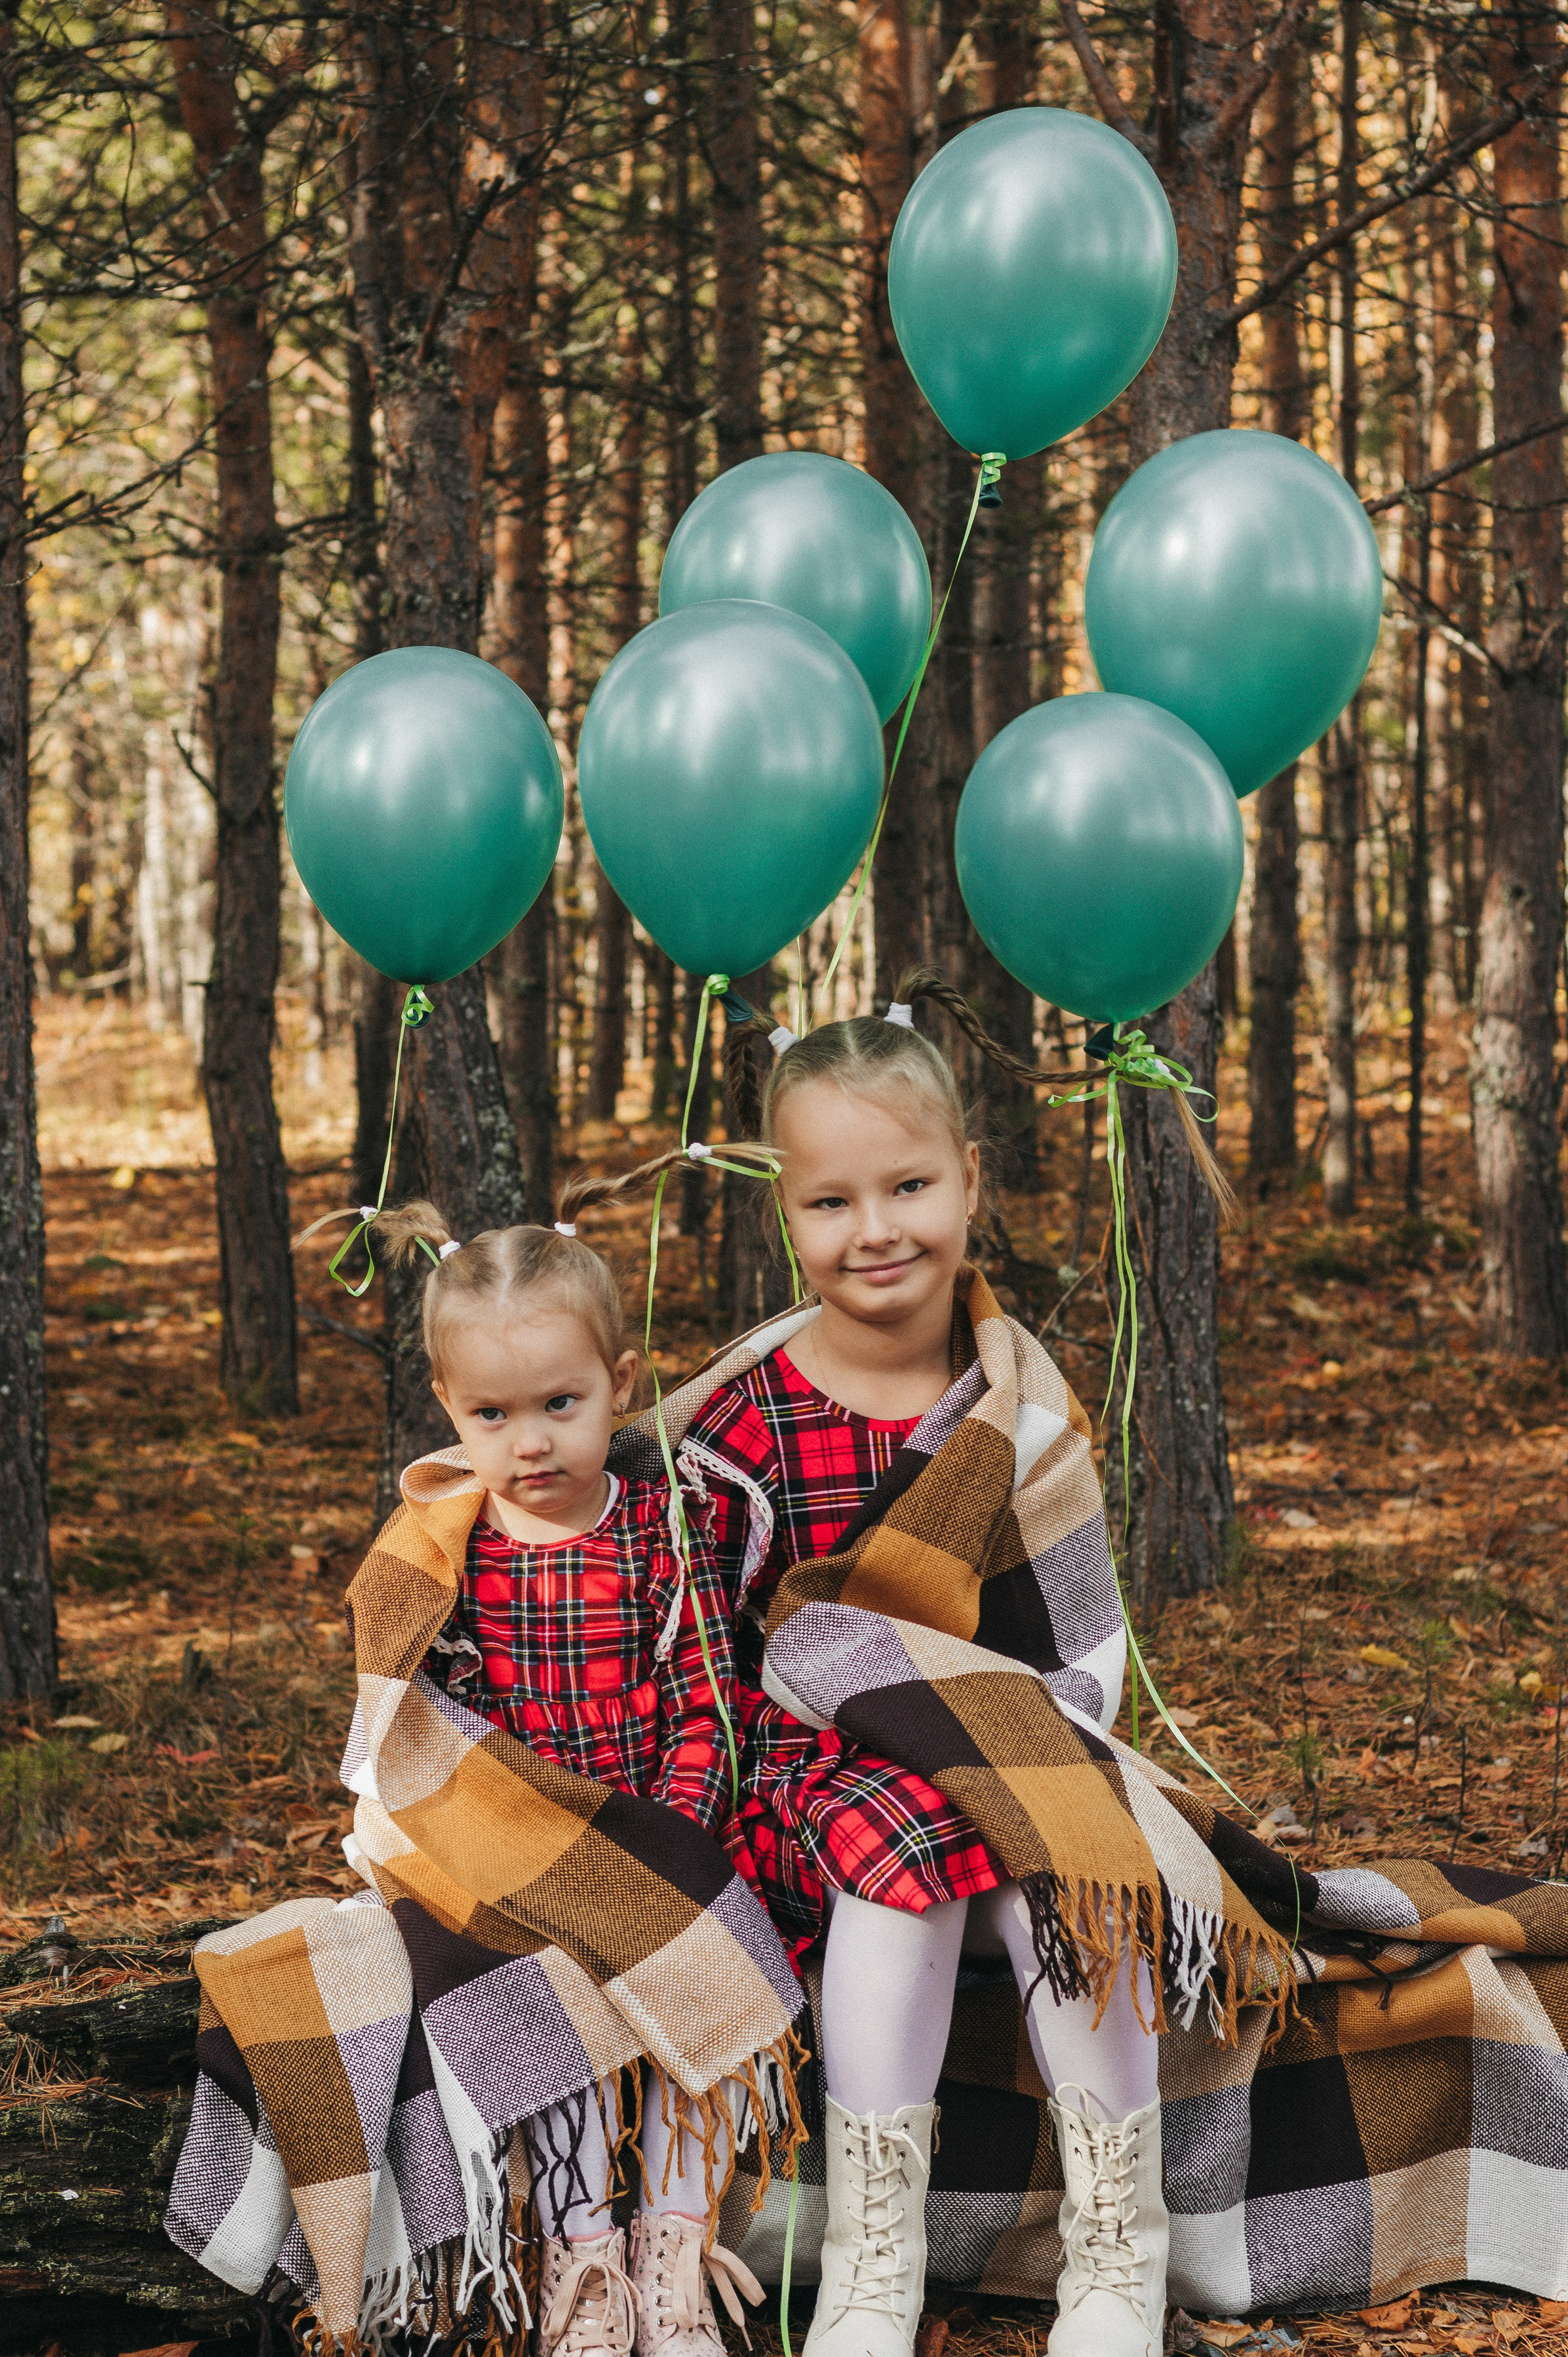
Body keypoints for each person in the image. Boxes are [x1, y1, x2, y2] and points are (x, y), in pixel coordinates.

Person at [684, 980, 1170, 2357]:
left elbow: (1076, 1642)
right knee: (895, 1858)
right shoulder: (744, 1420)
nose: (875, 1229)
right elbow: (718, 1661)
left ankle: (1117, 2249)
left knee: (1070, 1866)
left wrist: (1012, 1764)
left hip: (1006, 1737)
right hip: (812, 1767)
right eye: (828, 1201)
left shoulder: (1012, 1401)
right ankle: (869, 2262)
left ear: (968, 1177)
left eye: (906, 1185)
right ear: (783, 1215)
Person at [371, 1193, 769, 2357]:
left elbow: (706, 1703)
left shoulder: (664, 1532)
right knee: (542, 2017)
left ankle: (677, 2246)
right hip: (522, 1848)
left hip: (658, 1831)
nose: (531, 1442)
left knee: (709, 2000)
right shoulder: (452, 1552)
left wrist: (670, 1840)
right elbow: (438, 1727)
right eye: (493, 1414)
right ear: (449, 1407)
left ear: (622, 1382)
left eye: (561, 1403)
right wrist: (513, 1853)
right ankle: (583, 2252)